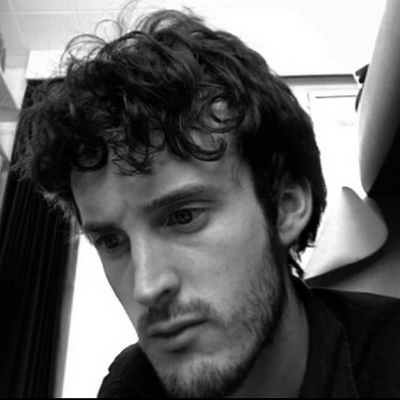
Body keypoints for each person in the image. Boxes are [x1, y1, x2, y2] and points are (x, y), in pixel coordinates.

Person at [14, 6, 400, 399]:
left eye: (183, 216)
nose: (147, 288)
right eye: (112, 241)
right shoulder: (131, 385)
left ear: (285, 206)